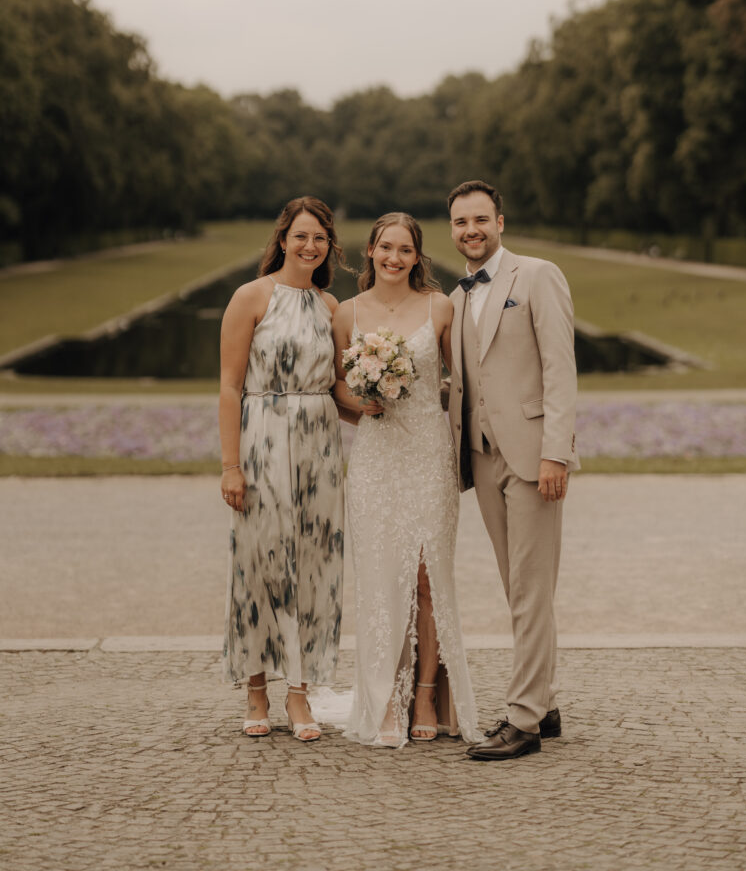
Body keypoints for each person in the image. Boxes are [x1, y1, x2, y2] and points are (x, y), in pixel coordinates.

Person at [332, 212, 480, 748]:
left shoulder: (441, 307)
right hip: (375, 459)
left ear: (418, 257)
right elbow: (336, 389)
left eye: (405, 250)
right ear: (369, 251)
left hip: (426, 456)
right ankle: (384, 696)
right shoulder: (346, 313)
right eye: (385, 247)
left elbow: (460, 385)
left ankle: (424, 694)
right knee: (380, 578)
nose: (394, 258)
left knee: (427, 578)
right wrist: (365, 399)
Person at [446, 180, 578, 761]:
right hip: (481, 455)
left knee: (530, 587)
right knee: (516, 584)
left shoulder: (537, 275)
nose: (470, 230)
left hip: (532, 456)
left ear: (500, 221)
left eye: (480, 219)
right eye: (459, 222)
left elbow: (560, 367)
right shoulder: (454, 297)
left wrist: (556, 451)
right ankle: (544, 703)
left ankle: (523, 721)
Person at [219, 196, 347, 741]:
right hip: (262, 436)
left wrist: (381, 398)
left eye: (319, 238)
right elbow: (228, 386)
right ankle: (255, 690)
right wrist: (231, 465)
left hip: (320, 441)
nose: (310, 246)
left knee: (313, 563)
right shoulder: (252, 297)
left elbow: (340, 385)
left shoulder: (332, 307)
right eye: (301, 236)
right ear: (283, 238)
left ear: (329, 246)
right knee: (259, 559)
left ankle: (299, 693)